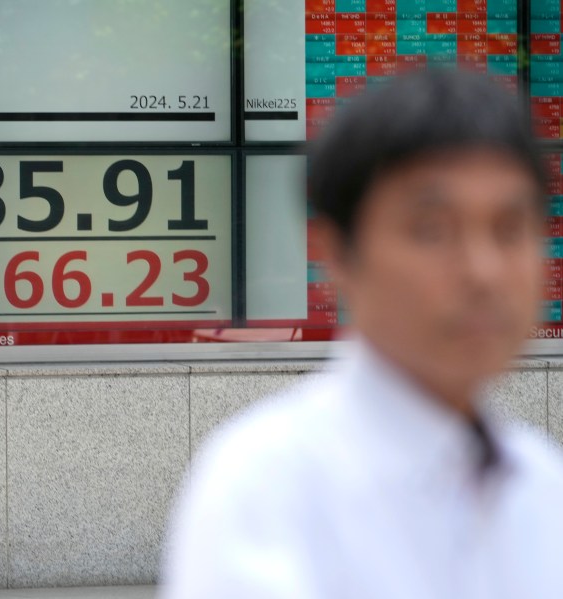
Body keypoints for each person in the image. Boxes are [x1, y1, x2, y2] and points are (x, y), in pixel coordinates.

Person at [160, 70, 563, 598]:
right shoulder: (263, 488)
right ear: (337, 252)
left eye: (510, 229)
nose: (483, 272)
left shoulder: (541, 483)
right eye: (432, 230)